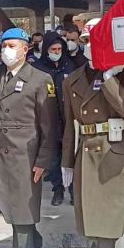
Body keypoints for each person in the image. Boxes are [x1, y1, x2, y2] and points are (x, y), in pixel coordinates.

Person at [61, 26, 124, 248]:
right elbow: (70, 124)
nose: (89, 46)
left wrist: (109, 77)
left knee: (106, 213)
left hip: (115, 150)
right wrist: (66, 162)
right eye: (86, 41)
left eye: (96, 41)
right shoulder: (72, 79)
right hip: (86, 151)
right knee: (94, 214)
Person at [0, 27, 58, 248]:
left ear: (25, 49)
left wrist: (43, 159)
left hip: (26, 153)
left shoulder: (40, 79)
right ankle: (33, 238)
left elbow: (49, 125)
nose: (6, 51)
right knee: (6, 203)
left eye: (12, 46)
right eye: (4, 46)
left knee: (22, 207)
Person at [33, 31, 77, 206]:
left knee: (70, 156)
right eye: (53, 49)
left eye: (59, 49)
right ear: (46, 49)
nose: (57, 52)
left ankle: (73, 190)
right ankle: (58, 189)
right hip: (48, 119)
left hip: (68, 119)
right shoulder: (38, 68)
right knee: (54, 158)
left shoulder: (69, 65)